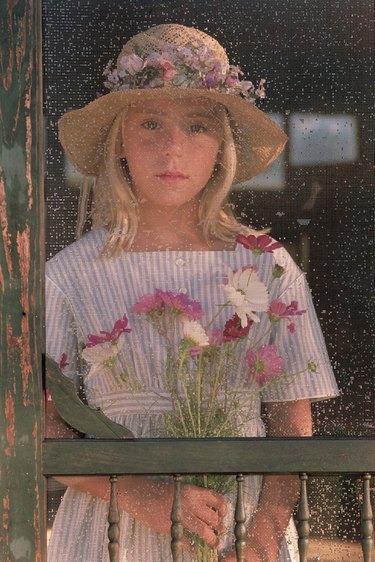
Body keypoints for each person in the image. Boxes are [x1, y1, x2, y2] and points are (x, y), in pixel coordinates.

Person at [46, 23, 339, 562]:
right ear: (121, 144)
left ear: (222, 149)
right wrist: (136, 493)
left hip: (240, 530)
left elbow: (292, 424)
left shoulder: (266, 264)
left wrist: (265, 535)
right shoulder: (69, 275)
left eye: (197, 126)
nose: (172, 148)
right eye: (151, 123)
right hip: (112, 531)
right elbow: (37, 423)